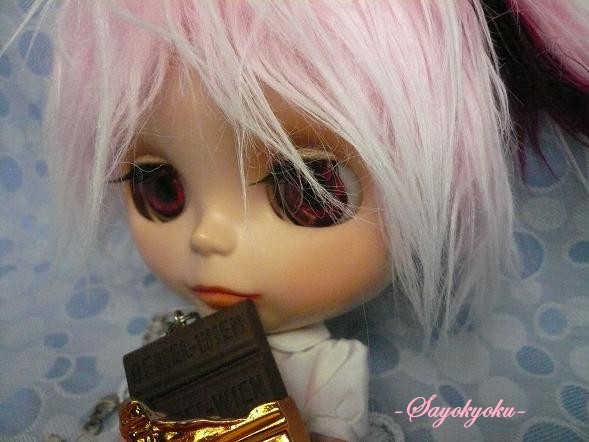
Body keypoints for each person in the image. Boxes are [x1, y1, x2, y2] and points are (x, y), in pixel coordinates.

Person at [12, 1, 587, 440]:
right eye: (161, 188)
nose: (208, 235)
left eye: (307, 192)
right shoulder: (177, 342)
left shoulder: (324, 369)